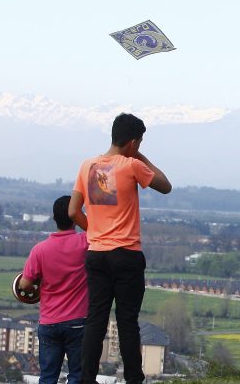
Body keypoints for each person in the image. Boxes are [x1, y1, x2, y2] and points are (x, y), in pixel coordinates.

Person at [69, 113, 171, 384]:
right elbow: (165, 186)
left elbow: (72, 211)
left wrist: (94, 232)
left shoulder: (87, 166)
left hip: (97, 254)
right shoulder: (131, 165)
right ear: (133, 142)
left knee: (95, 320)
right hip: (126, 255)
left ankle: (86, 379)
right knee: (126, 321)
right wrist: (140, 156)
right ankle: (134, 380)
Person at [20, 195, 89, 384]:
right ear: (76, 217)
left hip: (49, 322)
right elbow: (99, 232)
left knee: (48, 377)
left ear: (54, 218)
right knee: (77, 376)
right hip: (78, 322)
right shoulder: (85, 242)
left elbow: (24, 285)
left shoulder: (40, 250)